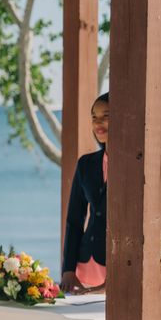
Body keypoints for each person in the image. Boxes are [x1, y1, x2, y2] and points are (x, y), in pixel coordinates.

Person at [60, 92, 109, 295]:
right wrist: (68, 269)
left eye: (106, 115)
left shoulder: (133, 167)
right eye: (94, 116)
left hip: (116, 266)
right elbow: (74, 219)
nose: (98, 122)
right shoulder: (86, 164)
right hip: (84, 266)